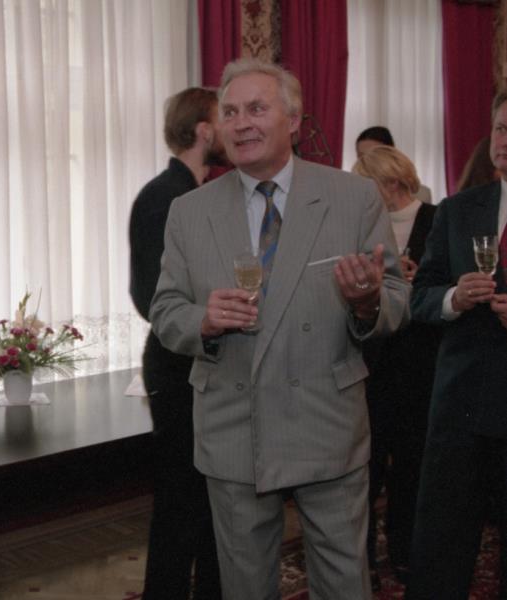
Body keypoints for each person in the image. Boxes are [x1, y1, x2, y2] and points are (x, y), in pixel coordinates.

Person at [148, 58, 410, 599]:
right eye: (230, 112)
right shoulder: (189, 212)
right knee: (244, 586)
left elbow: (395, 299)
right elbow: (166, 311)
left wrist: (366, 303)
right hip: (233, 425)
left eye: (256, 108)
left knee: (343, 583)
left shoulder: (351, 197)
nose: (241, 123)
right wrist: (203, 320)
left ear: (293, 120)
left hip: (326, 420)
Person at [406, 91, 507, 600]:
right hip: (461, 409)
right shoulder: (459, 209)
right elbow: (419, 295)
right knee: (440, 554)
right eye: (501, 128)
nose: (505, 141)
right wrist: (453, 298)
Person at [128, 86, 225, 600]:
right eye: (225, 117)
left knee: (208, 503)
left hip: (201, 364)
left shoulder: (196, 193)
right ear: (205, 131)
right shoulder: (164, 198)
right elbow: (151, 296)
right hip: (177, 366)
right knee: (180, 503)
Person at [352, 146, 440, 586]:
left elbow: (449, 284)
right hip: (371, 364)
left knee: (411, 465)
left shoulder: (438, 219)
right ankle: (362, 557)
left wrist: (417, 280)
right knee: (364, 469)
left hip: (420, 362)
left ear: (390, 183)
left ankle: (405, 551)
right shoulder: (362, 228)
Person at [356, 126, 434, 204]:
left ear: (391, 153)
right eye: (361, 156)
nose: (367, 160)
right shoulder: (353, 192)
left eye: (375, 155)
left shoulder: (421, 195)